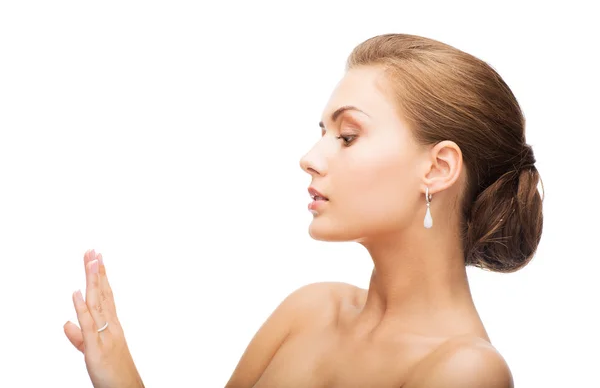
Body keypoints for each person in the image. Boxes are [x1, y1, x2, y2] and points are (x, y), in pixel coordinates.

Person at [63, 33, 544, 388]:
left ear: (438, 168)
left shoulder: (465, 371)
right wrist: (118, 371)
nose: (311, 158)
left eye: (348, 136)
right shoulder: (310, 310)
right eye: (322, 132)